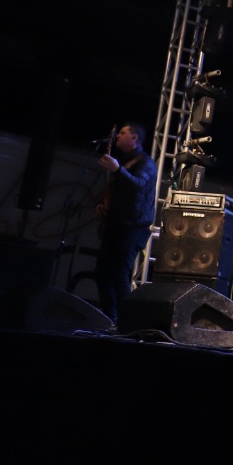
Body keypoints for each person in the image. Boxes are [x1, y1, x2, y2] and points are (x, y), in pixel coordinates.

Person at [93, 122, 158, 324]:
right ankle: (110, 317)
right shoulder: (125, 161)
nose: (118, 136)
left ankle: (127, 320)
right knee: (102, 272)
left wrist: (117, 169)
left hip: (133, 227)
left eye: (122, 133)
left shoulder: (146, 163)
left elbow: (138, 185)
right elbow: (117, 190)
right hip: (116, 224)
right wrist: (102, 204)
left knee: (120, 273)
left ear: (134, 138)